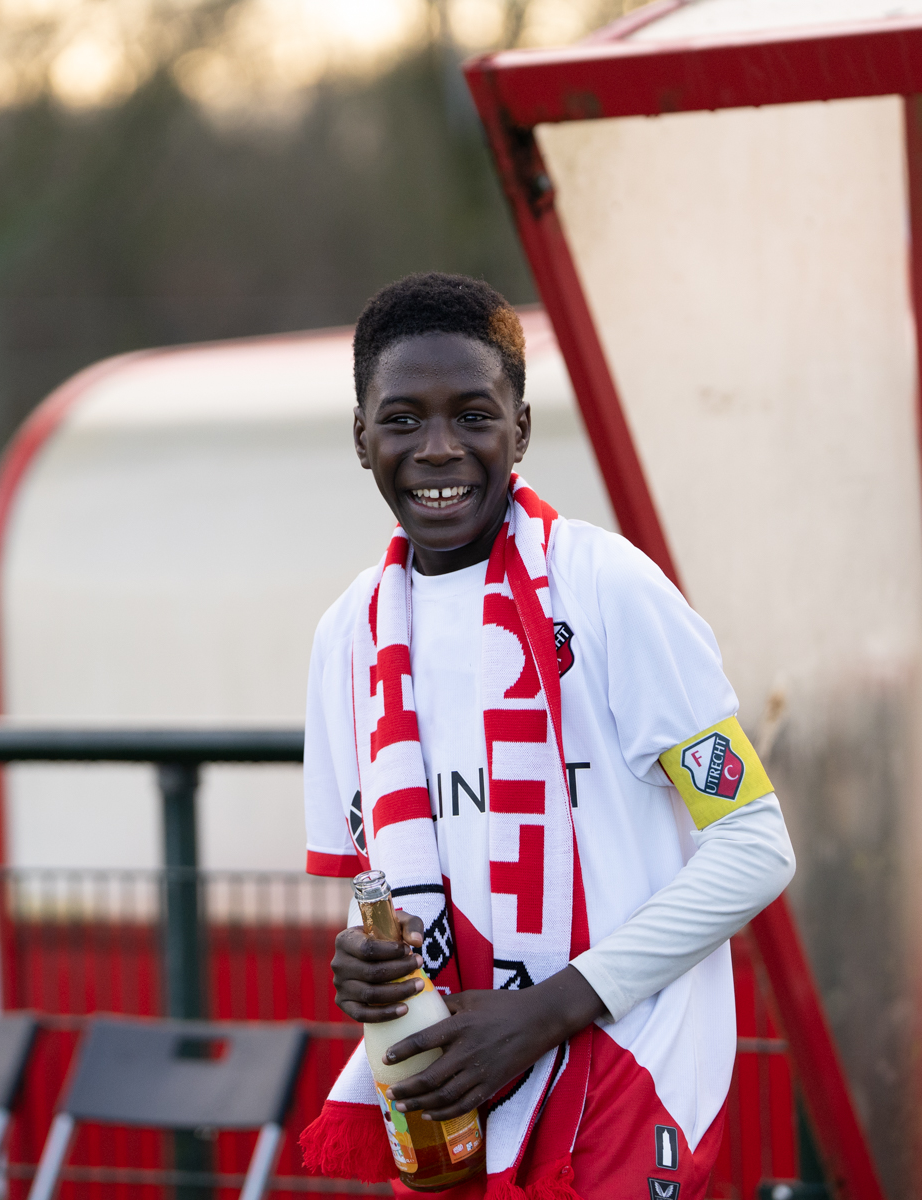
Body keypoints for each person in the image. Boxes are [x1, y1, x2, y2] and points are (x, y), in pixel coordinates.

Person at [299, 272, 796, 1199]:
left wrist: (542, 1013)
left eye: (473, 416)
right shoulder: (348, 636)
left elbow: (756, 848)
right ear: (361, 438)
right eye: (403, 420)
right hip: (451, 1081)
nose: (438, 450)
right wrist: (365, 960)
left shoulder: (612, 588)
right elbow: (378, 886)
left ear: (520, 430)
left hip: (624, 1069)